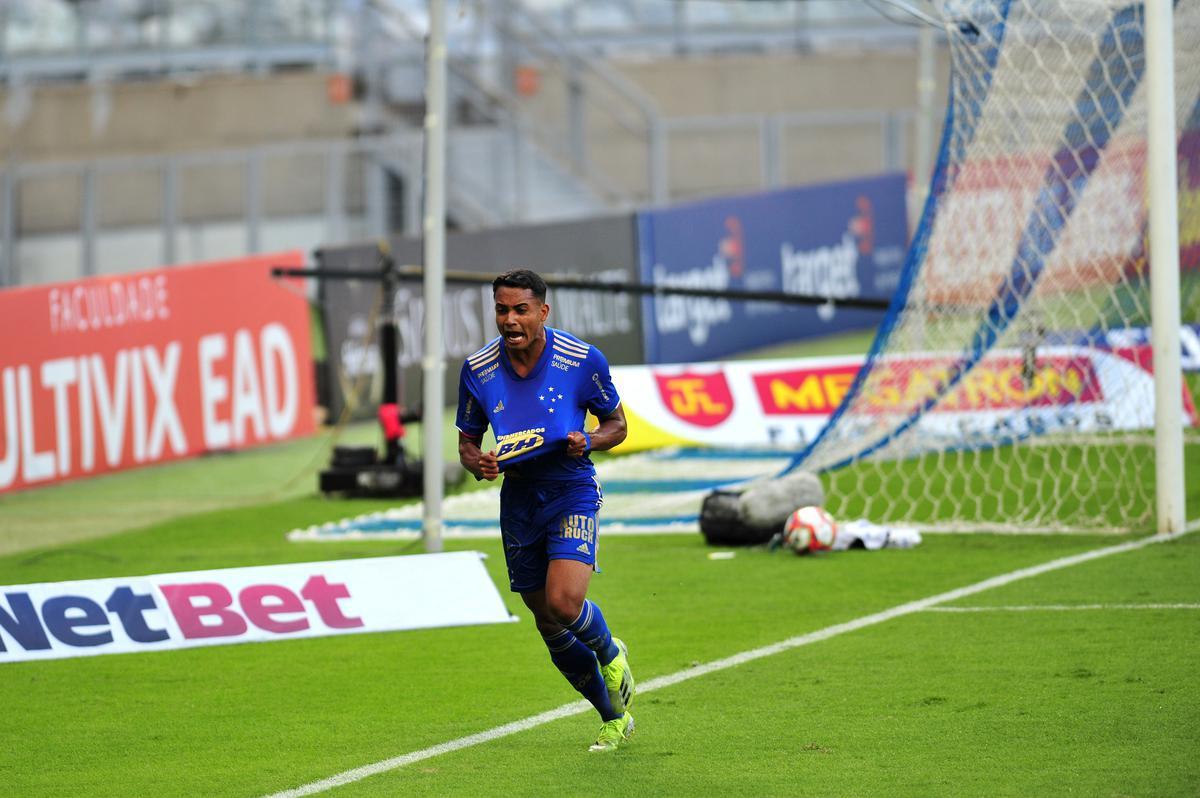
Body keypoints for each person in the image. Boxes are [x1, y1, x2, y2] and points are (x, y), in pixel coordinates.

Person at [456, 268, 636, 752]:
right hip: (518, 500)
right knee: (547, 622)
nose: (510, 320)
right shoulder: (478, 369)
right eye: (501, 309)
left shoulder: (581, 359)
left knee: (564, 602)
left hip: (570, 489)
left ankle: (609, 650)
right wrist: (481, 463)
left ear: (542, 311)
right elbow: (467, 445)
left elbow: (617, 425)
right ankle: (613, 717)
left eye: (520, 310)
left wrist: (590, 439)